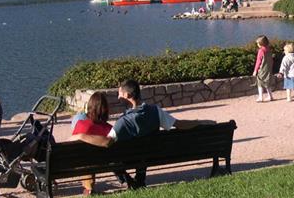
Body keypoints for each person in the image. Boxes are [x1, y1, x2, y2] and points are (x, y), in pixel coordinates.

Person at [72, 80, 213, 190]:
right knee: (142, 147)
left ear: (127, 96)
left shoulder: (124, 122)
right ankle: (140, 178)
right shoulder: (155, 111)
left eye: (119, 93)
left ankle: (129, 181)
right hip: (152, 153)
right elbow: (179, 124)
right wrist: (199, 122)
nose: (117, 95)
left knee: (114, 155)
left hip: (130, 158)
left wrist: (80, 136)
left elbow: (107, 142)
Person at [70, 92, 112, 195]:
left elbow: (70, 143)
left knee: (85, 157)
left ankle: (89, 189)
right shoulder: (109, 129)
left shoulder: (82, 125)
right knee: (89, 157)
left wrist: (81, 136)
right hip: (106, 161)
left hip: (81, 163)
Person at [253, 35, 274, 102]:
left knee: (260, 83)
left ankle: (261, 97)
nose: (257, 44)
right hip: (268, 69)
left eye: (257, 43)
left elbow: (258, 61)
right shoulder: (269, 49)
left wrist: (255, 70)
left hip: (262, 69)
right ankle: (270, 96)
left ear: (261, 44)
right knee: (267, 83)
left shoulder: (261, 51)